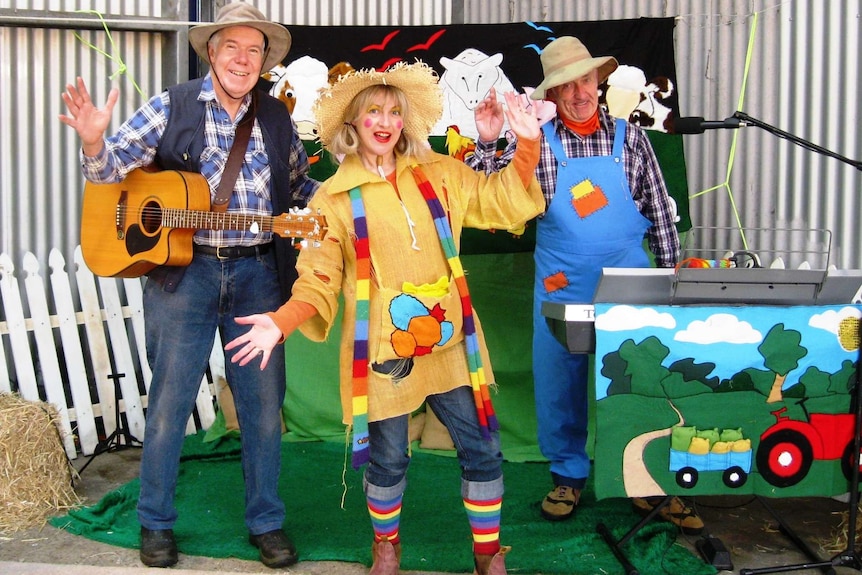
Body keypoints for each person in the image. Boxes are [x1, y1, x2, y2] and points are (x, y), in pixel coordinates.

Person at [224, 61, 544, 575]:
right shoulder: (333, 197)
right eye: (373, 109)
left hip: (452, 341)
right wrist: (282, 320)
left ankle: (487, 555)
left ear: (406, 122)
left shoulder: (439, 173)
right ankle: (386, 546)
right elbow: (319, 276)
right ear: (353, 122)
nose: (385, 120)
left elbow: (499, 201)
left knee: (483, 447)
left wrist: (526, 146)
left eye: (396, 111)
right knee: (389, 458)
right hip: (383, 349)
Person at [59, 2, 319, 569]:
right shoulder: (170, 105)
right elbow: (109, 174)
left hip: (258, 274)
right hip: (184, 275)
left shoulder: (276, 119)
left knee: (262, 405)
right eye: (232, 47)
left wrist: (345, 199)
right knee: (170, 403)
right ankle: (154, 523)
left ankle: (266, 522)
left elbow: (301, 188)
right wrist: (93, 143)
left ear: (264, 61)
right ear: (211, 51)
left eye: (255, 50)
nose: (242, 59)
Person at [466, 36, 704, 535]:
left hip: (630, 281)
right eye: (566, 85)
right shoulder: (534, 138)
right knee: (560, 383)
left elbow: (660, 209)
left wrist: (671, 279)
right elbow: (480, 190)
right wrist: (489, 139)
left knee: (643, 381)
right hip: (561, 282)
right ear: (550, 94)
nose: (579, 93)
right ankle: (568, 476)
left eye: (586, 81)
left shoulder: (631, 139)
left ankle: (651, 480)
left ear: (600, 83)